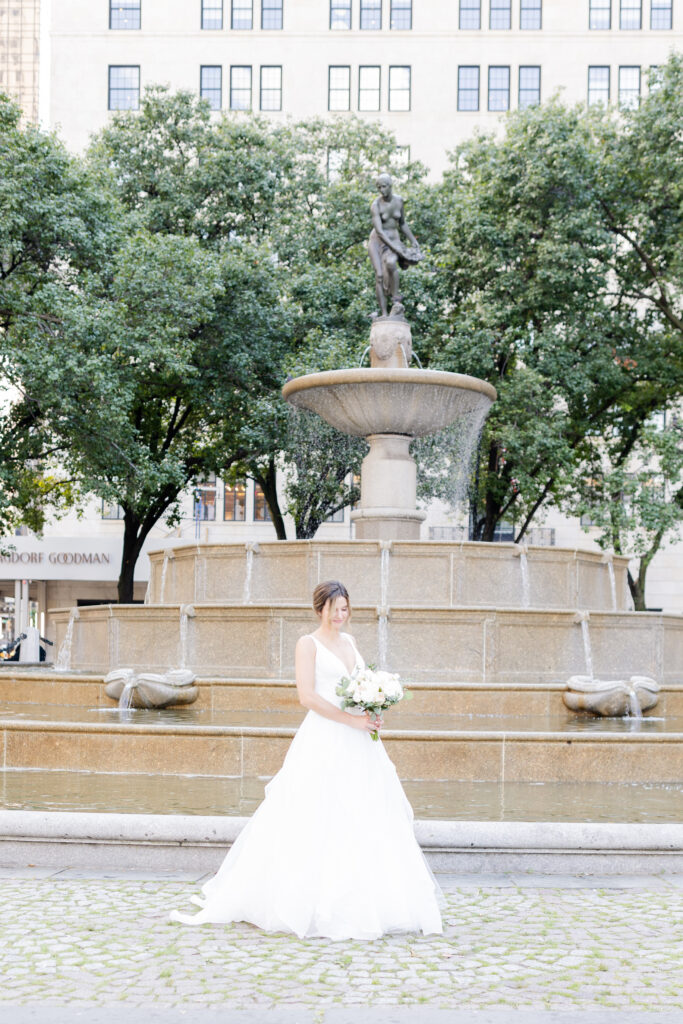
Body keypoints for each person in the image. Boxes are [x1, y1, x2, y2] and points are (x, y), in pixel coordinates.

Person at [170, 579, 442, 940]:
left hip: (361, 740)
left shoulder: (351, 642)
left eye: (345, 609)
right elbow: (307, 697)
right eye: (334, 610)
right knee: (318, 814)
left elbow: (358, 685)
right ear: (320, 610)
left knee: (366, 812)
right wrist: (351, 720)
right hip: (325, 737)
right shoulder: (307, 644)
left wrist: (372, 707)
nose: (341, 616)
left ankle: (373, 900)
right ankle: (306, 902)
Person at [368, 173, 423, 318]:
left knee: (391, 263)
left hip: (394, 240)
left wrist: (412, 240)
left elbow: (402, 223)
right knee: (379, 275)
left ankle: (396, 299)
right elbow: (379, 231)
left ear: (390, 186)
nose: (381, 190)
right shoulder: (376, 205)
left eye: (384, 186)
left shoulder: (399, 201)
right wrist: (394, 247)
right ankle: (384, 314)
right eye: (379, 187)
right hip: (377, 241)